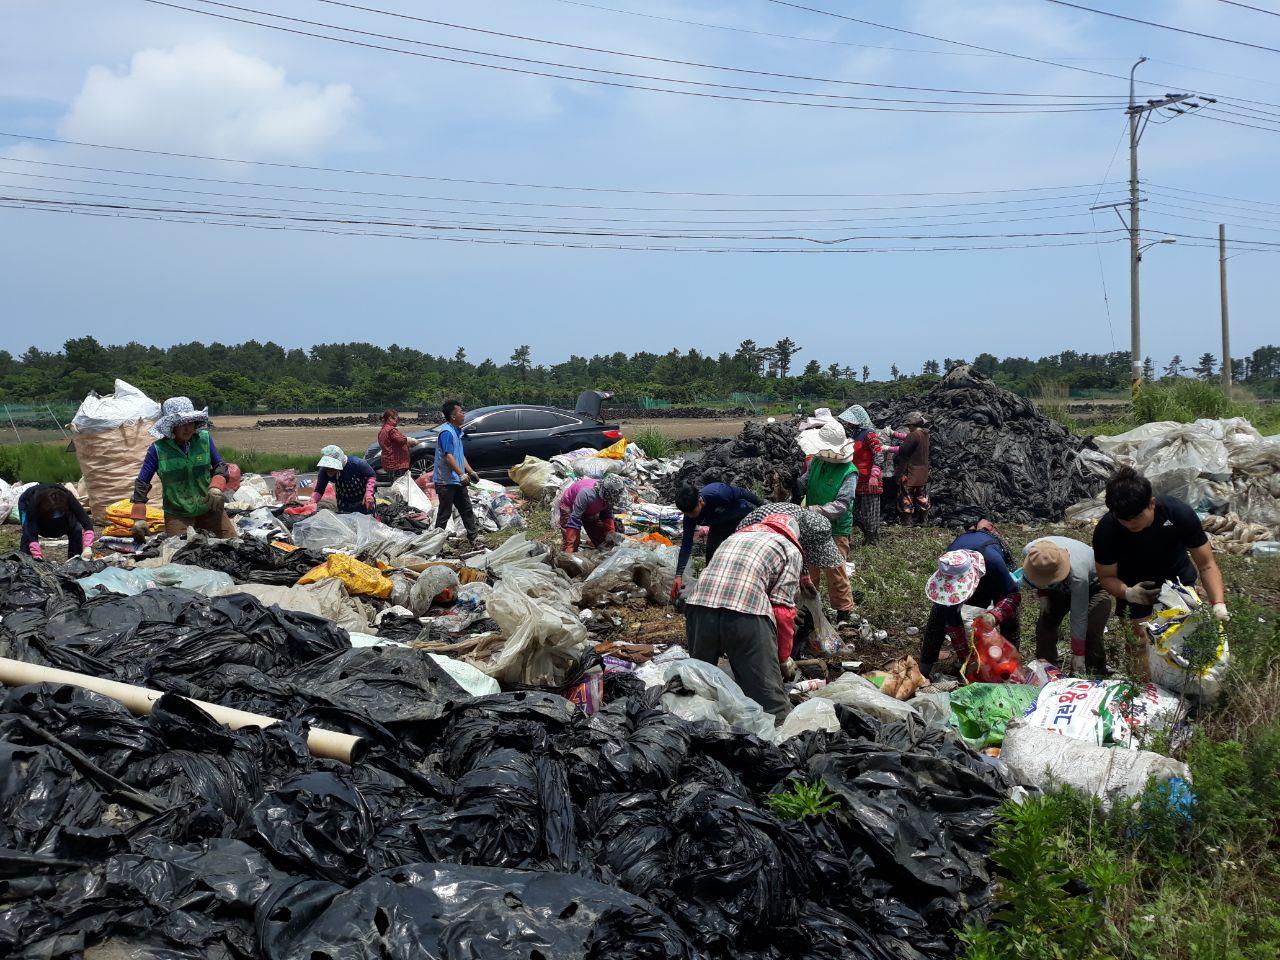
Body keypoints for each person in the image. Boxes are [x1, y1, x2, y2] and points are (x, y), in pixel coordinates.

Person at [1092, 466, 1228, 676]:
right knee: (1138, 642)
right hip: (1134, 583)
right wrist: (1128, 593)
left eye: (1136, 517)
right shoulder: (1106, 530)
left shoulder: (1177, 513)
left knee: (1186, 638)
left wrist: (1218, 603)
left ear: (1151, 504)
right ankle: (1144, 690)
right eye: (1123, 519)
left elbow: (1206, 564)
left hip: (1177, 579)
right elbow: (1106, 577)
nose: (1130, 524)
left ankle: (1187, 685)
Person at [685, 512, 819, 723]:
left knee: (698, 685)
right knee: (770, 702)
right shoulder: (789, 548)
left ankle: (690, 730)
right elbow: (782, 611)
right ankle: (784, 747)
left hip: (698, 607)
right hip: (745, 614)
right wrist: (783, 658)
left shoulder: (734, 537)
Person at [920, 522, 1022, 675]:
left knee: (1011, 620)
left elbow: (1013, 595)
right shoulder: (949, 565)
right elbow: (953, 624)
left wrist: (994, 615)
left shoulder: (994, 563)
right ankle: (925, 667)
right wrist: (966, 659)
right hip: (967, 548)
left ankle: (1010, 668)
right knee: (940, 614)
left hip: (992, 548)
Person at [131, 397, 239, 540]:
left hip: (209, 507)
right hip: (177, 512)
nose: (187, 428)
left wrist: (216, 487)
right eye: (181, 424)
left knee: (231, 544)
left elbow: (220, 466)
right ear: (171, 426)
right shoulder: (158, 450)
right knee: (181, 554)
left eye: (190, 422)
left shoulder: (204, 440)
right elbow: (142, 483)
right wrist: (139, 517)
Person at [796, 421, 858, 627]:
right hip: (811, 526)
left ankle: (843, 612)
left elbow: (842, 504)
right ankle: (809, 608)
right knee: (809, 569)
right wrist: (794, 483)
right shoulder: (817, 462)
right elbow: (805, 481)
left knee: (835, 570)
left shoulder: (849, 471)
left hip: (836, 528)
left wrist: (816, 510)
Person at [1022, 536, 1112, 675]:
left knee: (1090, 629)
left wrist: (1078, 654)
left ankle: (1095, 673)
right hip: (1057, 588)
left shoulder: (1078, 575)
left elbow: (1078, 616)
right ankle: (1047, 672)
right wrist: (1044, 595)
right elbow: (1036, 575)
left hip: (1093, 587)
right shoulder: (1030, 552)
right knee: (1045, 625)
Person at [671, 481, 763, 600]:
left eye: (693, 512)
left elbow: (742, 493)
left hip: (742, 519)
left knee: (742, 556)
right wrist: (678, 575)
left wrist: (762, 505)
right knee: (711, 558)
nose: (690, 516)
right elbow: (686, 544)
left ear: (699, 500)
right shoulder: (689, 516)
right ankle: (713, 593)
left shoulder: (718, 493)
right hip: (719, 525)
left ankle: (745, 590)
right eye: (687, 514)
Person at [433, 398, 482, 545]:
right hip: (446, 482)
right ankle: (435, 543)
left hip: (457, 480)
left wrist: (470, 471)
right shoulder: (447, 433)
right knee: (444, 514)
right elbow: (449, 457)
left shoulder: (456, 432)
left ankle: (474, 537)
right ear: (453, 416)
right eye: (461, 412)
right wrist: (461, 474)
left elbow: (459, 455)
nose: (463, 414)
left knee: (466, 509)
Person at [837, 404, 885, 542]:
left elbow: (879, 453)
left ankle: (871, 538)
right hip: (857, 478)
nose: (849, 423)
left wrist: (874, 475)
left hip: (869, 478)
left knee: (870, 511)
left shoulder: (869, 434)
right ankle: (867, 533)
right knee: (854, 510)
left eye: (852, 420)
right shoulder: (855, 434)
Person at [19, 484, 94, 560]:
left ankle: (75, 557)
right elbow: (31, 529)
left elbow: (86, 522)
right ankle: (25, 559)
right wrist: (36, 554)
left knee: (76, 528)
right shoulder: (33, 503)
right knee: (26, 532)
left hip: (62, 513)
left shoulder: (69, 497)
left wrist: (87, 547)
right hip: (29, 504)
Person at [557, 474, 628, 553]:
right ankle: (567, 553)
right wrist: (570, 545)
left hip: (590, 507)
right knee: (572, 545)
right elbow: (574, 520)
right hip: (570, 505)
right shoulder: (587, 494)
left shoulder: (609, 496)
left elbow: (606, 513)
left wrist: (610, 531)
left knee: (603, 541)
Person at [311, 445, 377, 514]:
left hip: (363, 500)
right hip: (344, 502)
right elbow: (319, 490)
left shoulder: (357, 464)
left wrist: (369, 493)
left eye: (332, 467)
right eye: (328, 467)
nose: (329, 470)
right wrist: (312, 501)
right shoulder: (324, 470)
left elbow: (371, 475)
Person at [894, 411, 931, 525]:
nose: (908, 428)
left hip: (911, 471)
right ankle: (923, 520)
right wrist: (895, 434)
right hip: (923, 471)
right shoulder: (925, 434)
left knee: (906, 495)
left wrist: (887, 448)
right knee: (921, 495)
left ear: (913, 425)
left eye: (909, 426)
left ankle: (908, 521)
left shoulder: (913, 435)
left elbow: (903, 451)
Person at [378, 408, 411, 481]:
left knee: (394, 484)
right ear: (390, 418)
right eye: (396, 417)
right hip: (396, 463)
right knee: (399, 486)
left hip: (389, 462)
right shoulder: (391, 430)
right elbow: (401, 440)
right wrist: (410, 440)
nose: (397, 420)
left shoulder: (383, 429)